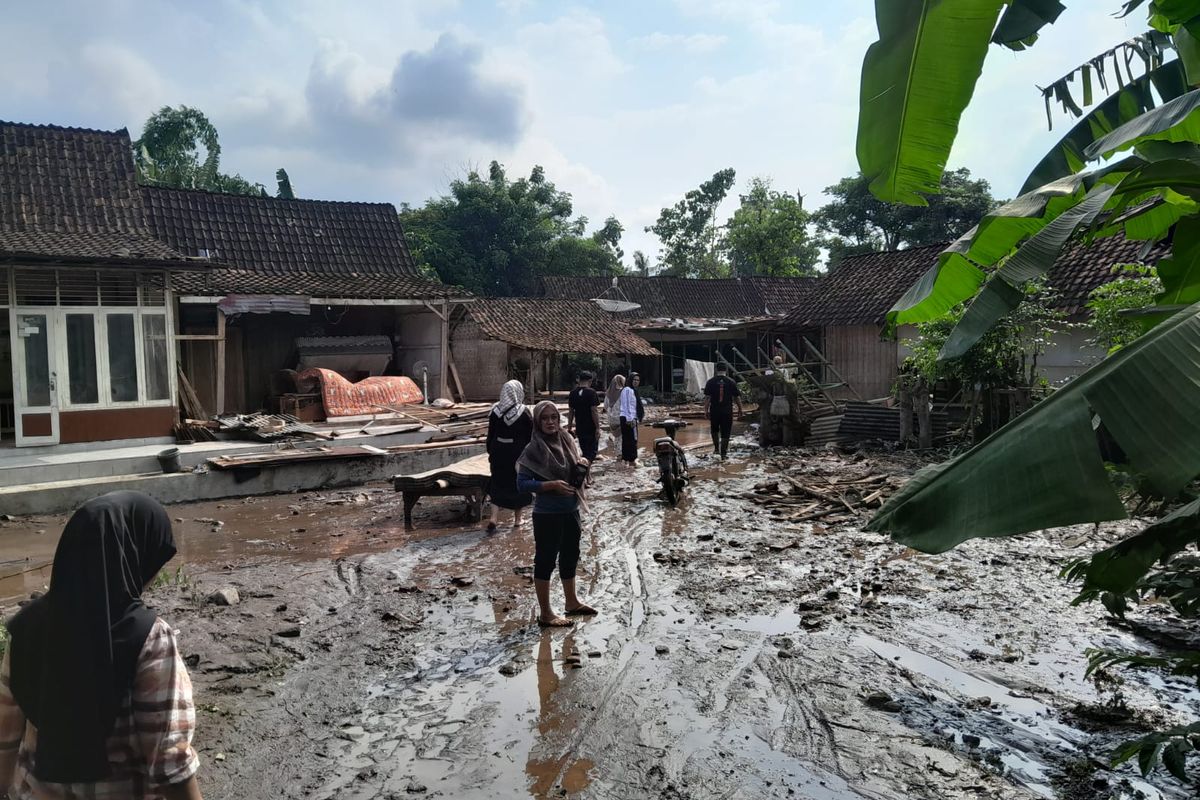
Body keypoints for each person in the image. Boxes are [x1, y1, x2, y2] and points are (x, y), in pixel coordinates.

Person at [0, 491, 203, 800]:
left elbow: (5, 738)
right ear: (132, 556)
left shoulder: (25, 626)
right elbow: (170, 763)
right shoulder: (150, 638)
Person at [517, 401, 596, 627]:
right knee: (545, 560)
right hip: (547, 514)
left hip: (571, 509)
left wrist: (582, 463)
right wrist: (550, 485)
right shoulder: (532, 449)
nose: (550, 422)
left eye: (554, 417)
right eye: (545, 418)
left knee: (570, 555)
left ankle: (571, 602)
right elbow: (522, 484)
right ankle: (546, 614)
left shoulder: (568, 440)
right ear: (537, 422)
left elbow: (575, 471)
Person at [486, 380, 534, 532]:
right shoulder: (523, 412)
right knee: (517, 483)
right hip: (517, 453)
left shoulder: (494, 411)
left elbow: (490, 434)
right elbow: (530, 435)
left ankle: (493, 518)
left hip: (498, 452)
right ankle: (518, 519)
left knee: (497, 482)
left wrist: (491, 451)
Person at [704, 363, 742, 459]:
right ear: (726, 370)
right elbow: (737, 398)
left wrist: (705, 410)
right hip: (727, 411)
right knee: (726, 431)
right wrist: (740, 409)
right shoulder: (731, 382)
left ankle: (716, 449)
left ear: (716, 370)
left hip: (715, 411)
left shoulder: (710, 382)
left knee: (714, 430)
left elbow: (707, 398)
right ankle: (723, 454)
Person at [566, 371, 601, 463]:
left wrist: (569, 427)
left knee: (585, 451)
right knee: (592, 453)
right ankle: (586, 471)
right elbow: (594, 411)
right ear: (590, 381)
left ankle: (585, 472)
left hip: (580, 427)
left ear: (579, 380)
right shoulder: (592, 392)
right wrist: (597, 427)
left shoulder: (573, 393)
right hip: (591, 427)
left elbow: (571, 412)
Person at [618, 374, 640, 465]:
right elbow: (626, 404)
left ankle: (626, 459)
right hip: (627, 417)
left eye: (638, 380)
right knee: (631, 439)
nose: (636, 381)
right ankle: (632, 460)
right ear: (630, 380)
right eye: (634, 379)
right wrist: (630, 418)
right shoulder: (627, 390)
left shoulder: (633, 391)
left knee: (628, 439)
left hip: (630, 417)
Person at [602, 374, 625, 448]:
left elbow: (605, 406)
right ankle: (621, 454)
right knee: (622, 437)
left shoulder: (608, 393)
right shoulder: (623, 392)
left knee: (616, 436)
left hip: (611, 420)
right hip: (621, 418)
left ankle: (618, 453)